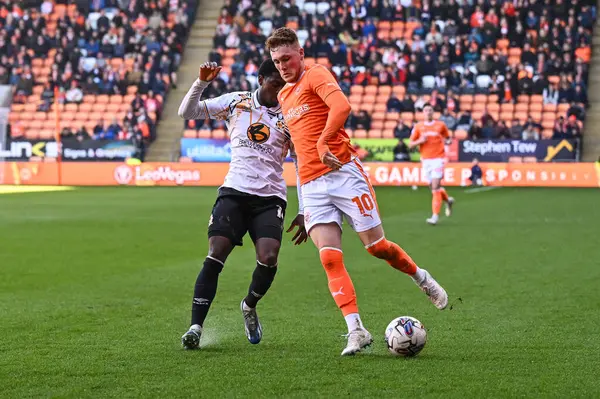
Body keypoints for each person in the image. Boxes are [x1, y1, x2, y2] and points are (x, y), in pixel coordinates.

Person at [266, 27, 448, 356]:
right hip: (311, 185)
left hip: (343, 173)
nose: (282, 65)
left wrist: (324, 141)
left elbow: (342, 106)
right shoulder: (283, 96)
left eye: (287, 58)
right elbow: (297, 152)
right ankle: (356, 330)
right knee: (329, 259)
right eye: (276, 61)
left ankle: (420, 276)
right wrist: (303, 202)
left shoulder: (316, 74)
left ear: (301, 53)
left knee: (376, 247)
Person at [177, 60, 307, 349]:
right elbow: (187, 112)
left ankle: (249, 305)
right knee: (216, 252)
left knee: (269, 257)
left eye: (284, 86)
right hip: (234, 191)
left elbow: (300, 162)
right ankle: (195, 327)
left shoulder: (290, 115)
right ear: (261, 79)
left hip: (270, 197)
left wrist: (303, 208)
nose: (279, 91)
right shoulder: (236, 102)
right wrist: (201, 82)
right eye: (275, 84)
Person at [408, 104, 455, 225]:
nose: (428, 112)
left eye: (430, 110)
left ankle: (435, 216)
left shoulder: (441, 125)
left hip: (438, 159)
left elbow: (448, 138)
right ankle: (448, 200)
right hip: (425, 160)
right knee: (434, 188)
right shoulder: (418, 127)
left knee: (435, 187)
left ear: (433, 112)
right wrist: (420, 141)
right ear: (423, 113)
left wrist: (448, 141)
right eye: (426, 110)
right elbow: (410, 144)